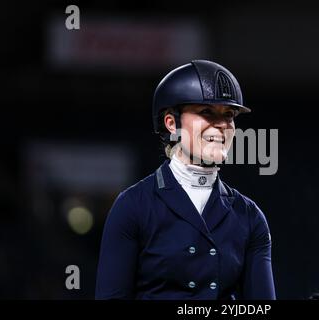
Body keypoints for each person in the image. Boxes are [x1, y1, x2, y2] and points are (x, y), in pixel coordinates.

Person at [95, 60, 275, 300]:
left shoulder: (250, 217)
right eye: (207, 112)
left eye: (229, 115)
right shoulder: (132, 206)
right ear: (172, 124)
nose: (222, 125)